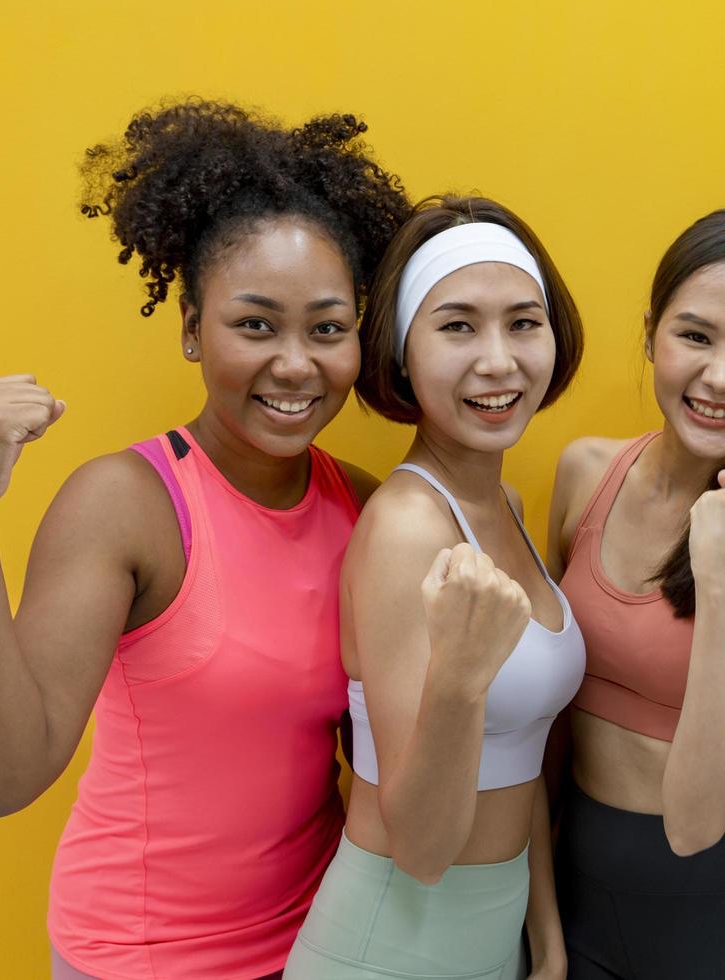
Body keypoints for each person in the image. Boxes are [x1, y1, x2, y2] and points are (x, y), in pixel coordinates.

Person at [0, 99, 410, 979]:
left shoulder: (369, 511)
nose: (297, 364)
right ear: (192, 328)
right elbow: (2, 776)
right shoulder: (129, 504)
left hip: (323, 946)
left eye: (328, 328)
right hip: (139, 958)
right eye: (256, 324)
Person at [285, 196, 585, 980]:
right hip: (388, 945)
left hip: (494, 931)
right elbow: (420, 849)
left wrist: (545, 938)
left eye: (524, 322)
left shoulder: (507, 508)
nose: (499, 361)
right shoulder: (408, 531)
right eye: (457, 326)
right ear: (402, 354)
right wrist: (462, 671)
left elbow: (519, 755)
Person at [545, 209, 725, 978]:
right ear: (649, 334)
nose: (720, 376)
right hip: (580, 886)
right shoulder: (584, 474)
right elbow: (546, 704)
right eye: (695, 336)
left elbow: (696, 818)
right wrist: (534, 897)